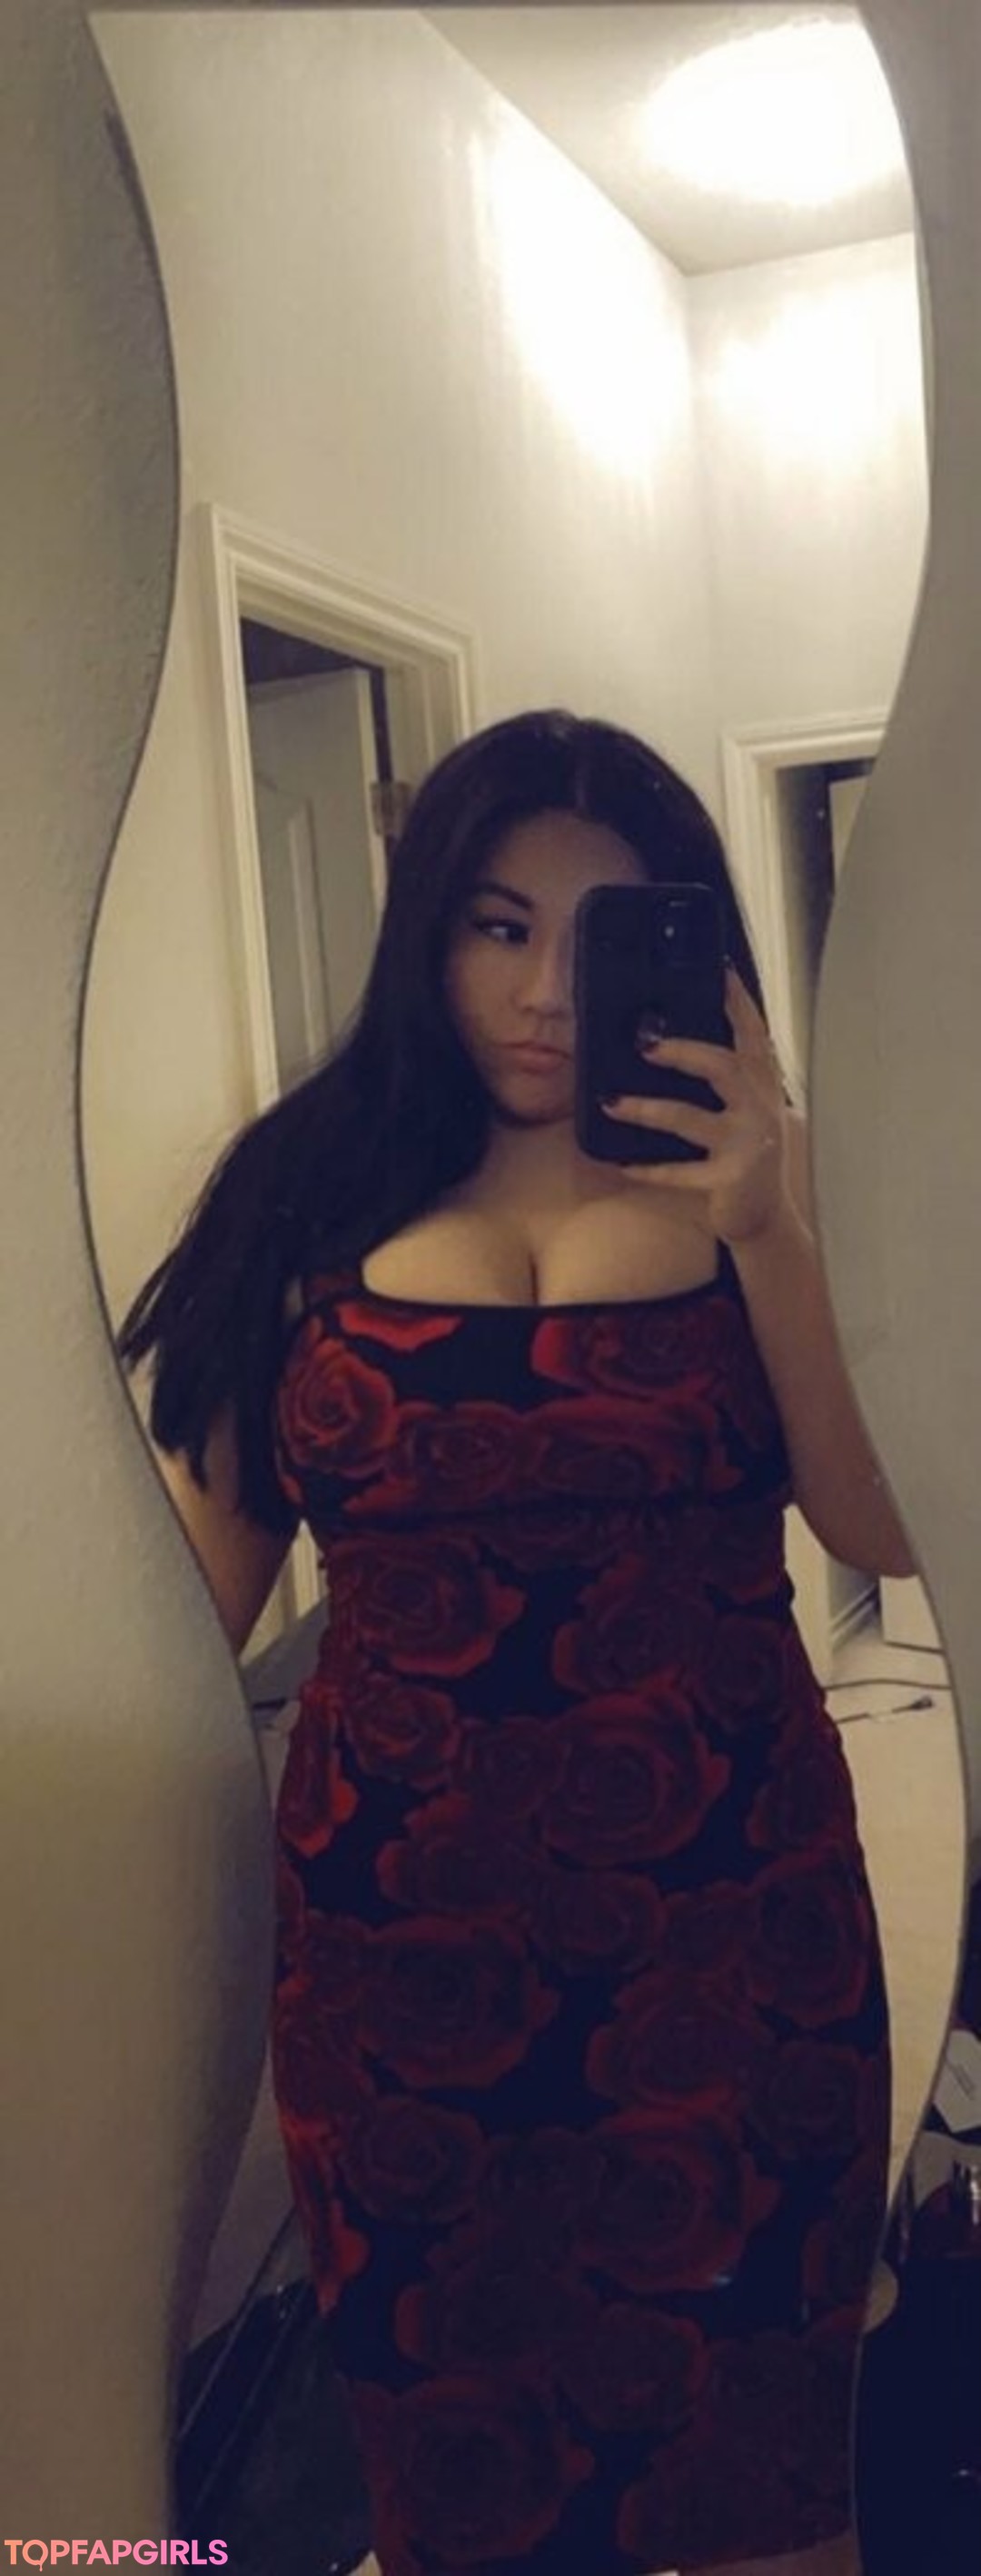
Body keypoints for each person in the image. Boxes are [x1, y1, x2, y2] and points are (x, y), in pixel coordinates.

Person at [121, 711, 914, 2576]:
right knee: (470, 2496)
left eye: (601, 930)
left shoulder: (769, 1185)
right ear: (426, 928)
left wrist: (772, 1228)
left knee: (770, 2493)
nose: (549, 991)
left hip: (740, 1939)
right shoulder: (299, 1200)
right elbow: (181, 1621)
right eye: (498, 925)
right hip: (405, 1968)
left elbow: (875, 1527)